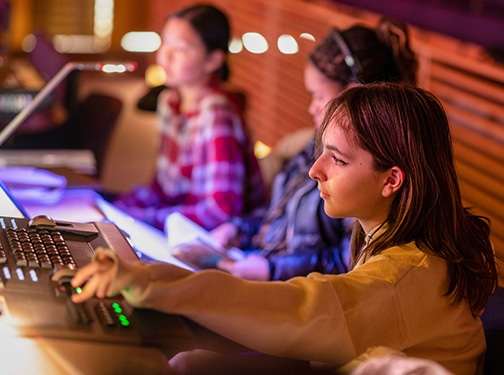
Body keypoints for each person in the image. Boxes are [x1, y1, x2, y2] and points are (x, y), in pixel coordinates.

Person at [71, 82, 497, 375]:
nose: (315, 171)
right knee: (191, 361)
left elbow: (300, 308)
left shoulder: (404, 277)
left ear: (392, 180)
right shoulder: (404, 246)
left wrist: (148, 282)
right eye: (321, 153)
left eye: (338, 159)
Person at [183, 19, 418, 281]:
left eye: (318, 95)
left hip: (293, 292)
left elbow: (350, 266)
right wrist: (239, 229)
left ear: (353, 95)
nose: (312, 107)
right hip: (258, 267)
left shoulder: (369, 173)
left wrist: (272, 270)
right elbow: (280, 213)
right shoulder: (315, 143)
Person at [112, 4, 265, 231]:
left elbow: (221, 211)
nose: (165, 56)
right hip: (179, 226)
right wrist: (119, 208)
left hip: (214, 241)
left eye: (181, 48)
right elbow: (164, 188)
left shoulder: (216, 113)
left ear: (213, 60)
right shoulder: (169, 101)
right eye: (164, 43)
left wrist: (144, 217)